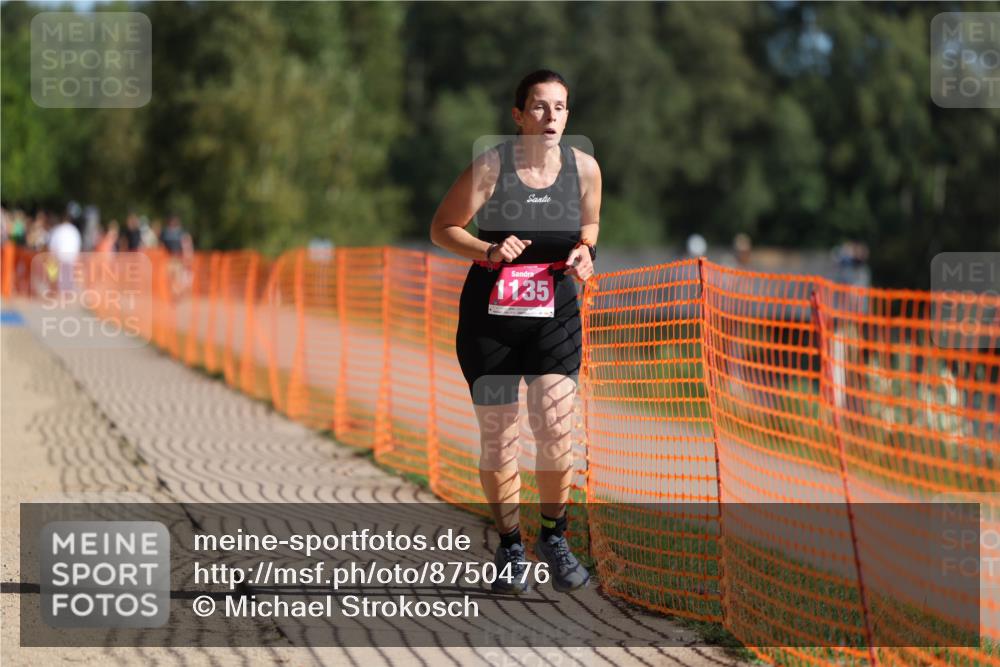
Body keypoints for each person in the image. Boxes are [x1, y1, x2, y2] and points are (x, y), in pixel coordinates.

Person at [430, 70, 601, 595]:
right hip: (492, 322)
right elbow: (442, 228)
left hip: (555, 315)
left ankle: (554, 535)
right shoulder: (492, 166)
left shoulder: (584, 168)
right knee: (501, 437)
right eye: (540, 106)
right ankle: (509, 546)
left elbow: (590, 226)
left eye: (560, 107)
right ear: (519, 115)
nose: (551, 116)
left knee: (555, 425)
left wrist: (586, 252)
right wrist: (488, 250)